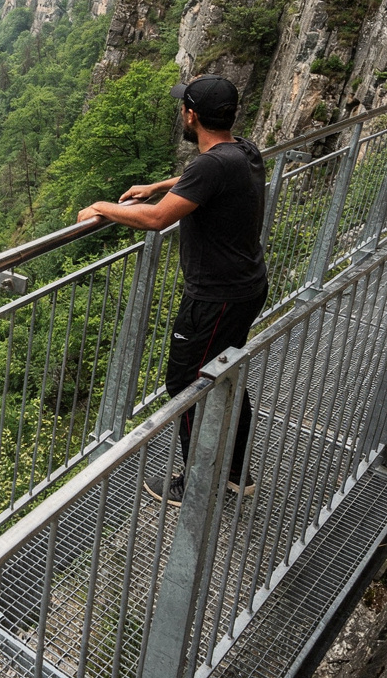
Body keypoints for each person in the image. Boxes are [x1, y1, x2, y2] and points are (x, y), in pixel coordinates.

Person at [77, 74, 267, 503]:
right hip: (247, 286)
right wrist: (161, 186)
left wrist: (102, 208)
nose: (181, 111)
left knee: (186, 384)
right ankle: (235, 473)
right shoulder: (243, 151)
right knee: (225, 377)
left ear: (192, 115)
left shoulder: (210, 165)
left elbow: (157, 219)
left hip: (215, 298)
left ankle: (200, 484)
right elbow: (206, 182)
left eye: (184, 105)